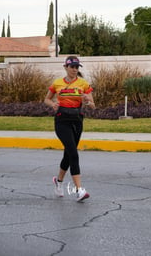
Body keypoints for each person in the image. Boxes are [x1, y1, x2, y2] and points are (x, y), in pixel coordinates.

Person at [44, 56, 96, 202]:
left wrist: (87, 100)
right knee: (73, 153)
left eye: (76, 67)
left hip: (77, 121)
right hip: (62, 121)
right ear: (65, 67)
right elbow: (46, 99)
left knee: (68, 154)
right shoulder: (57, 83)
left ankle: (58, 182)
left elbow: (93, 105)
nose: (74, 69)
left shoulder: (83, 83)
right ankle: (79, 190)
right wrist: (52, 104)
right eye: (72, 67)